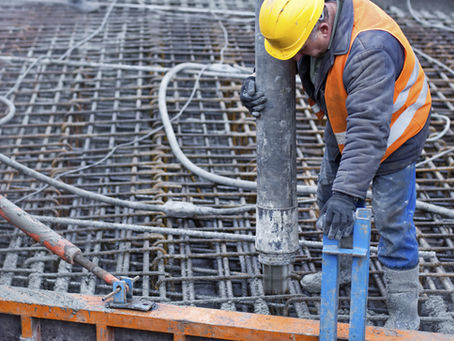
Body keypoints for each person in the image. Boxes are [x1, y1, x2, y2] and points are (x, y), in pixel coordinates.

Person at [240, 0, 431, 331]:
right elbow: (289, 49)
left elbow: (369, 132)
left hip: (397, 131)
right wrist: (258, 79)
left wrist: (348, 193)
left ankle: (404, 312)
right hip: (348, 116)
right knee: (330, 195)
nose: (295, 58)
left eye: (298, 50)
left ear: (324, 30)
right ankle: (342, 269)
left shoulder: (369, 47)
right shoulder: (310, 19)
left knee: (391, 220)